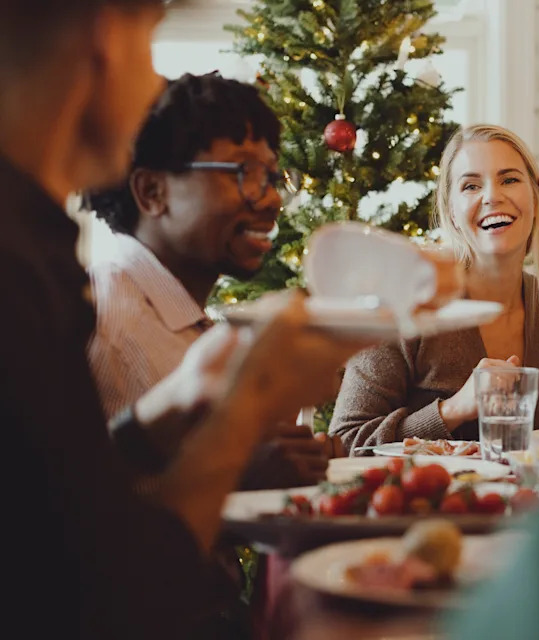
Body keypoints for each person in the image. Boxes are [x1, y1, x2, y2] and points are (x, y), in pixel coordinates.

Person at [0, 2, 370, 638]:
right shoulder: (62, 291)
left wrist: (159, 419)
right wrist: (245, 411)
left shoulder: (44, 252)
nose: (273, 195)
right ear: (107, 33)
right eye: (151, 46)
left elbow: (55, 510)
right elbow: (100, 588)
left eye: (272, 173)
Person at [84, 72, 343, 490]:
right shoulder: (109, 325)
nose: (272, 197)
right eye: (244, 171)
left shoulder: (179, 319)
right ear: (152, 192)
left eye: (272, 176)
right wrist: (236, 477)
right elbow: (82, 511)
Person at [330, 124, 539, 450]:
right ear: (452, 211)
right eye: (471, 186)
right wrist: (452, 410)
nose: (492, 196)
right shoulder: (402, 308)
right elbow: (344, 441)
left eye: (510, 180)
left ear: (535, 196)